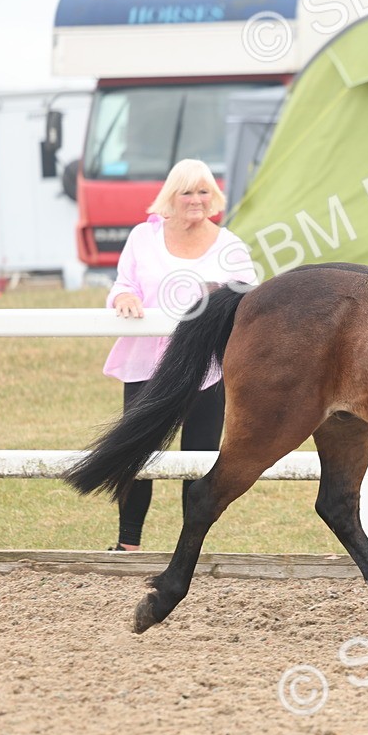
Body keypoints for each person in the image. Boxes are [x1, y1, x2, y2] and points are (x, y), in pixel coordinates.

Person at [103, 158, 257, 550]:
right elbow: (124, 284)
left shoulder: (229, 246)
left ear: (214, 197)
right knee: (137, 454)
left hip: (204, 370)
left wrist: (220, 296)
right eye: (187, 191)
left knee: (199, 460)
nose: (196, 199)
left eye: (204, 191)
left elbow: (250, 300)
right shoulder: (143, 236)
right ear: (170, 197)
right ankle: (128, 544)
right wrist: (124, 298)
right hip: (146, 366)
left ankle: (188, 550)